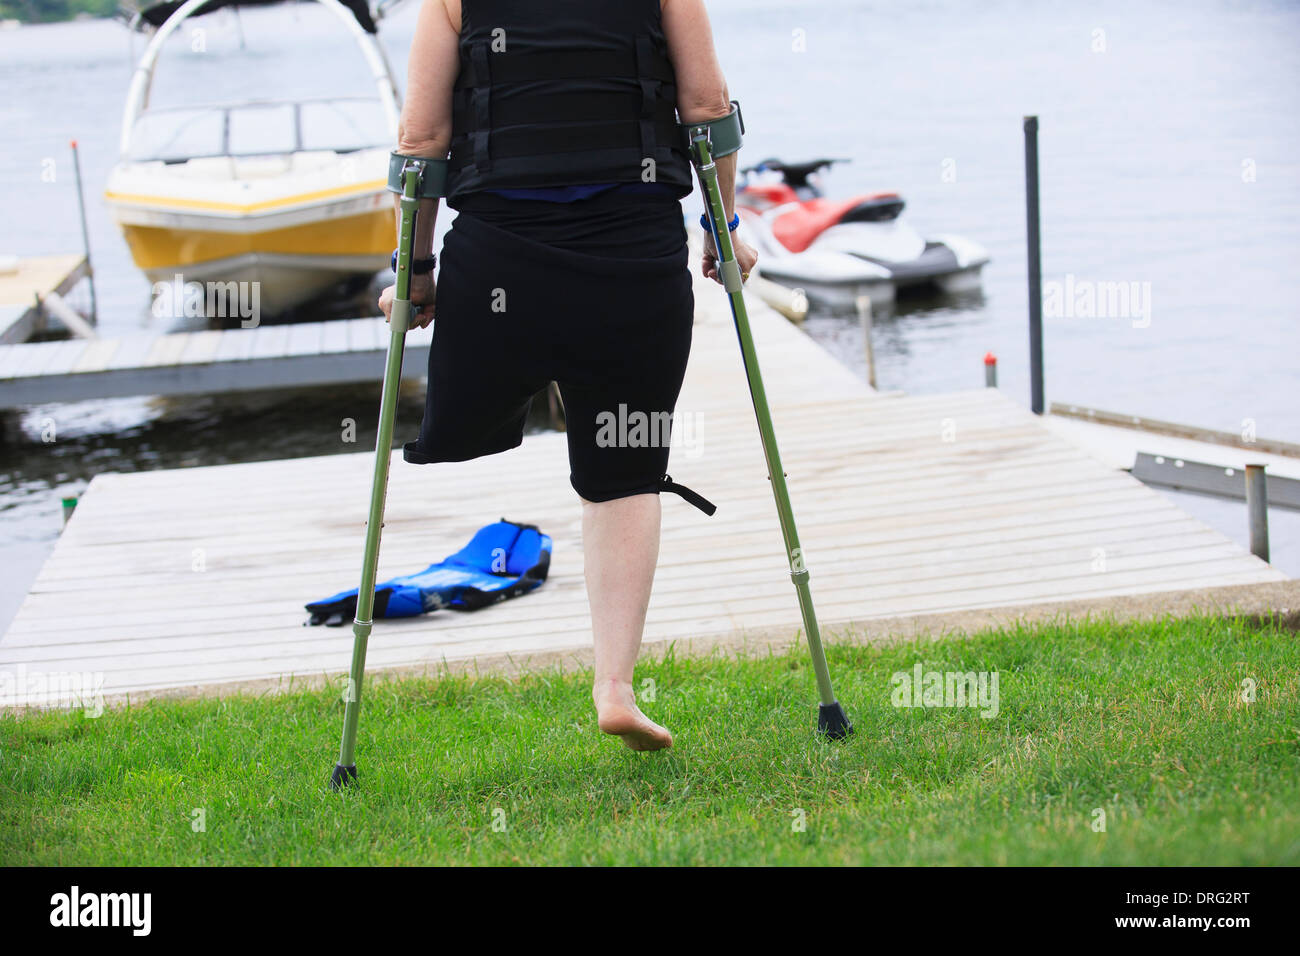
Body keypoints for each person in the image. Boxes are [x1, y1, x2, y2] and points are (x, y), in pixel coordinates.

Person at [378, 0, 758, 751]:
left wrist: (415, 273)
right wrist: (722, 230)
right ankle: (614, 685)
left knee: (479, 420)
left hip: (500, 267)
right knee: (624, 473)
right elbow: (708, 109)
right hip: (633, 261)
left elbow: (421, 142)